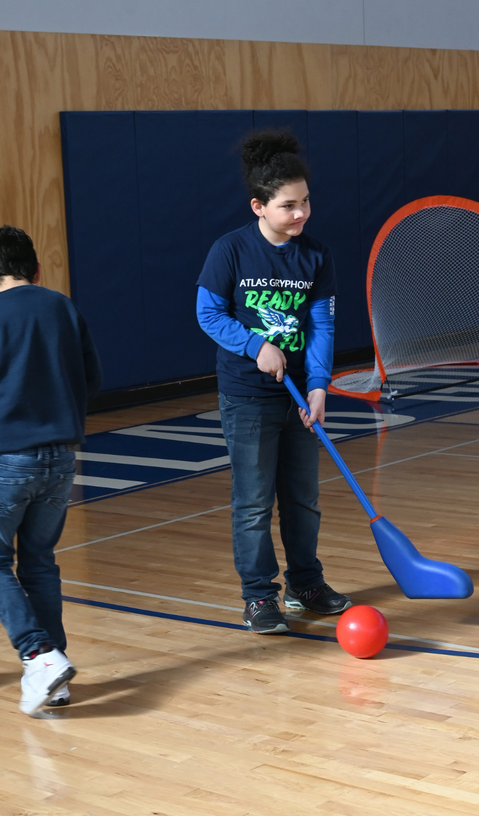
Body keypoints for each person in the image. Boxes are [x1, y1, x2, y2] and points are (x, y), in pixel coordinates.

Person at [196, 129, 352, 635]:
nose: (302, 214)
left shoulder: (316, 255)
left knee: (303, 498)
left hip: (299, 394)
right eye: (289, 206)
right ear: (259, 206)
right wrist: (255, 346)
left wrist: (320, 385)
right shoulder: (230, 251)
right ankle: (259, 596)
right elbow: (208, 313)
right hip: (247, 396)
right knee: (254, 501)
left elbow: (323, 325)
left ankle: (305, 585)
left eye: (306, 202)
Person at [0, 225, 102, 714]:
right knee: (38, 560)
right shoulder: (62, 308)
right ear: (36, 269)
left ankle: (37, 656)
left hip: (2, 461)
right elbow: (90, 379)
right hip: (60, 457)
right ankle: (55, 672)